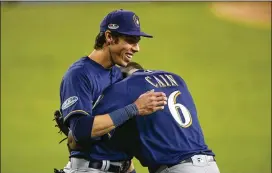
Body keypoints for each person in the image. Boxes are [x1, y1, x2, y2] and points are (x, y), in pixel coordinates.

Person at [55, 9, 167, 173]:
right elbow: (81, 130)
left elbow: (121, 132)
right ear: (109, 37)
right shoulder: (79, 75)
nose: (136, 48)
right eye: (130, 40)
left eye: (137, 42)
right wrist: (134, 108)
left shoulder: (118, 73)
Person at [90, 62, 221, 173]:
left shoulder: (125, 86)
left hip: (176, 168)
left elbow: (88, 128)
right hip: (210, 165)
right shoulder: (177, 79)